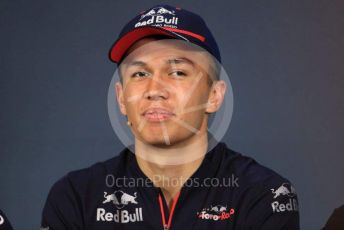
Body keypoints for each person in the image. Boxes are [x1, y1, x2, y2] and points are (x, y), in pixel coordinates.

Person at [41, 4, 300, 229]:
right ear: (121, 98)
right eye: (140, 74)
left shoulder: (263, 194)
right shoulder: (76, 196)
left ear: (214, 96)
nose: (155, 90)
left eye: (177, 72)